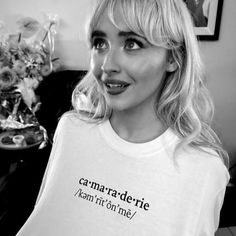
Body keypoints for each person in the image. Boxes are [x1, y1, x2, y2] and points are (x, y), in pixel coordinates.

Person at [16, 0, 230, 235]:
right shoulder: (70, 129)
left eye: (132, 43)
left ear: (173, 58)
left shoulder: (204, 170)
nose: (107, 65)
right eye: (100, 43)